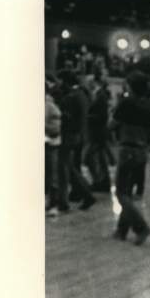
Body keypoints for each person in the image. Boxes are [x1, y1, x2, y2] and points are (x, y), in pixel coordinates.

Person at [112, 71, 150, 245]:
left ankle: (141, 227)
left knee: (121, 192)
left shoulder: (126, 104)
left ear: (131, 86)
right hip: (142, 151)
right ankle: (121, 230)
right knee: (128, 191)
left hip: (127, 148)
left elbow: (112, 124)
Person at [56, 69, 95, 211]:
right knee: (70, 167)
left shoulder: (71, 97)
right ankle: (85, 194)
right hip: (80, 135)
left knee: (64, 168)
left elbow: (66, 117)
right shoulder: (82, 95)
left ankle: (66, 200)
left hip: (69, 135)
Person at [45, 78, 62, 217]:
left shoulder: (50, 106)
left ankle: (54, 204)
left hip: (50, 144)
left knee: (52, 175)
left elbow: (56, 128)